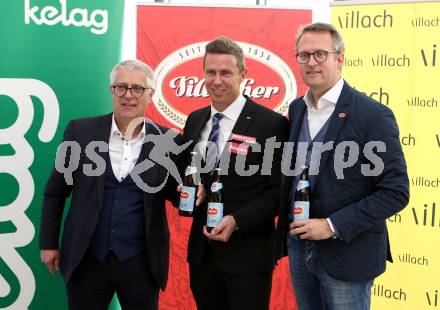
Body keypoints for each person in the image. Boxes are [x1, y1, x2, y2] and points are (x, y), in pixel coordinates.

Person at [39, 59, 203, 310]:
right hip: (86, 259)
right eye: (121, 87)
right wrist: (48, 243)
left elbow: (175, 191)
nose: (129, 95)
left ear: (150, 94)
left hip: (141, 262)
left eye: (137, 88)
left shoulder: (169, 140)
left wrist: (186, 191)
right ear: (111, 90)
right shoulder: (80, 132)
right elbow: (55, 191)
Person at [275, 23, 409, 310]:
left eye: (320, 54)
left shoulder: (373, 115)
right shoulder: (297, 109)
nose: (311, 62)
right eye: (304, 55)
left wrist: (332, 226)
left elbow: (395, 192)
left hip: (348, 254)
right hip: (300, 248)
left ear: (340, 58)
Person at [182, 36, 289, 310]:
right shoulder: (195, 119)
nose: (217, 80)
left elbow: (279, 191)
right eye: (211, 72)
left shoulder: (271, 124)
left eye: (226, 73)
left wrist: (238, 220)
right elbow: (185, 174)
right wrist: (191, 189)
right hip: (202, 256)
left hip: (248, 258)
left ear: (243, 75)